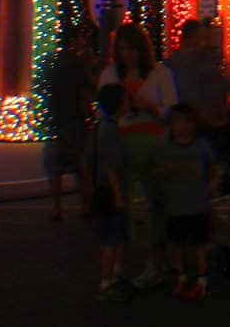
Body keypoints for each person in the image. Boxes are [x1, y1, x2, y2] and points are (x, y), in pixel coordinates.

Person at [98, 22, 175, 288]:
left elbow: (172, 111)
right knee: (123, 207)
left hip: (153, 141)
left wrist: (150, 107)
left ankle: (156, 261)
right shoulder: (110, 75)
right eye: (122, 49)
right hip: (124, 143)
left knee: (158, 202)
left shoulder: (159, 74)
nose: (128, 54)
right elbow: (102, 111)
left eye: (131, 48)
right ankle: (120, 265)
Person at [155, 103, 216, 298]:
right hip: (176, 202)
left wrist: (210, 187)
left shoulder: (200, 145)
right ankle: (182, 277)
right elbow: (159, 170)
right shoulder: (167, 147)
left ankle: (201, 278)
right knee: (177, 242)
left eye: (178, 121)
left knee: (199, 243)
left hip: (196, 202)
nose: (174, 125)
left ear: (191, 124)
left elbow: (213, 167)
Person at [42, 24, 96, 221]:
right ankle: (85, 206)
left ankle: (57, 208)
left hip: (55, 118)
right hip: (74, 118)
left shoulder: (52, 61)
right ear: (75, 40)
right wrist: (88, 114)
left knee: (54, 167)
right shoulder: (78, 62)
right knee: (80, 164)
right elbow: (86, 89)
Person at [91, 84, 134, 302]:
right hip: (110, 192)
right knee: (111, 238)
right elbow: (110, 165)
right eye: (126, 100)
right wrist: (118, 194)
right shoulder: (110, 131)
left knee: (113, 237)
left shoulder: (106, 127)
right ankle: (106, 281)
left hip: (108, 190)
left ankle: (113, 277)